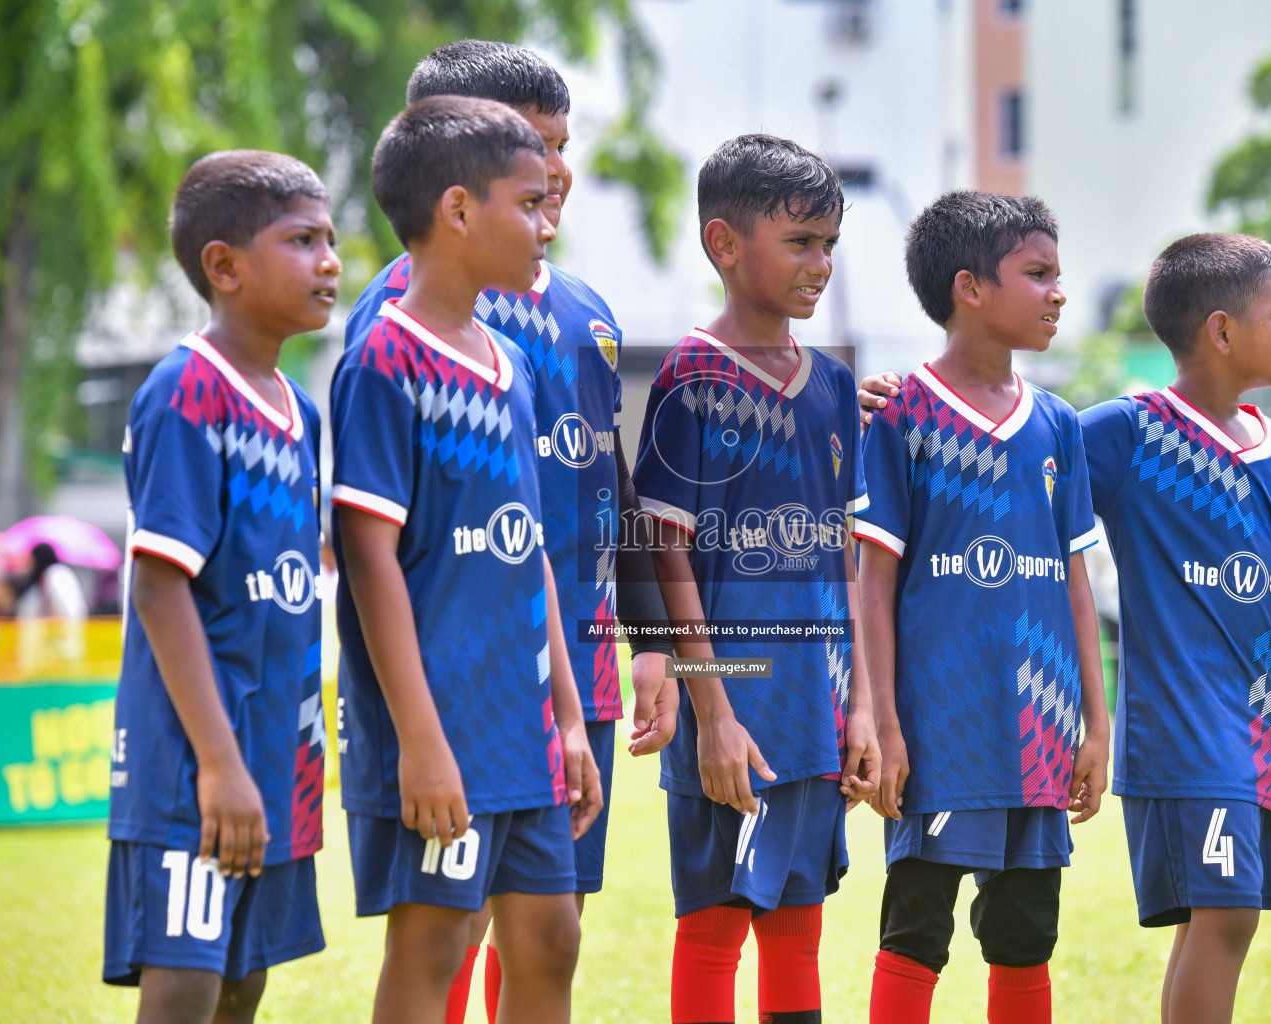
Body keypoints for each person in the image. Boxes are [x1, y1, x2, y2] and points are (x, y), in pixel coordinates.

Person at [857, 232, 1271, 1024]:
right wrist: (895, 405)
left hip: (1261, 737)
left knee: (1214, 920)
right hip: (1175, 732)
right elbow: (1003, 445)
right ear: (1222, 331)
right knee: (1221, 916)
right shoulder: (1126, 433)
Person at [341, 40, 679, 1022]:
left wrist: (648, 637)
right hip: (455, 682)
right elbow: (376, 543)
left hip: (574, 670)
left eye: (560, 146)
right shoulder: (393, 323)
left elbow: (601, 472)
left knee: (550, 919)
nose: (555, 170)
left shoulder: (583, 311)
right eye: (529, 148)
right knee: (451, 924)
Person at [632, 133, 880, 1024]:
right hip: (732, 713)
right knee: (713, 929)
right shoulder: (690, 379)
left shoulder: (836, 391)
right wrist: (712, 715)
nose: (819, 264)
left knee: (799, 932)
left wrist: (858, 706)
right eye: (800, 242)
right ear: (725, 244)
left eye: (828, 244)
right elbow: (666, 556)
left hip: (816, 709)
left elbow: (845, 557)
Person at [853, 191, 1109, 1024]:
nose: (1057, 293)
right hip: (940, 731)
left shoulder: (1059, 427)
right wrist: (884, 720)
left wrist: (1095, 726)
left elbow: (1076, 583)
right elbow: (874, 582)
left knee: (1026, 932)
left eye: (1058, 275)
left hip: (1039, 728)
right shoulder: (903, 417)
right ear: (969, 287)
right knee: (917, 928)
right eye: (1036, 274)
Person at [102, 150, 337, 1024]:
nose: (330, 262)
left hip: (281, 753)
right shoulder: (186, 392)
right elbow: (160, 589)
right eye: (302, 240)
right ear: (225, 267)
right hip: (198, 760)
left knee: (243, 982)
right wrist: (219, 764)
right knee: (187, 982)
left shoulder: (297, 409)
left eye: (331, 239)